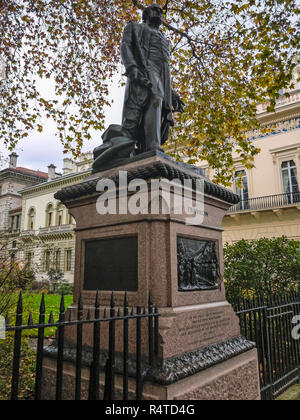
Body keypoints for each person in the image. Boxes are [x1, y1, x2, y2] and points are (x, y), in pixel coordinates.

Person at [121, 3, 184, 153]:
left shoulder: (164, 39)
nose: (159, 12)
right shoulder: (135, 27)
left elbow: (163, 67)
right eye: (155, 9)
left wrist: (172, 93)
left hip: (161, 75)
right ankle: (152, 146)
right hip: (145, 69)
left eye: (161, 11)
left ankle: (149, 145)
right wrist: (132, 67)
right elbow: (125, 46)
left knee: (160, 104)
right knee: (155, 98)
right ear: (146, 14)